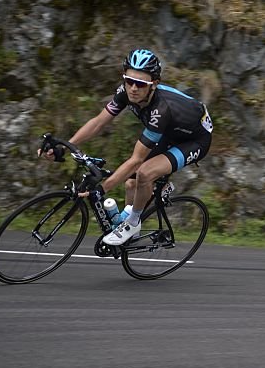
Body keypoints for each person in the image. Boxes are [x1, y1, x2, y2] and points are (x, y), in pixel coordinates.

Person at [40, 48, 213, 245]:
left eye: (140, 84)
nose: (133, 88)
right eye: (129, 81)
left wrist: (102, 189)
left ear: (154, 84)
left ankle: (132, 224)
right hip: (169, 132)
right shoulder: (125, 93)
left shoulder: (161, 110)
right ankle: (135, 218)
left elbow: (136, 160)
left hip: (194, 140)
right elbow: (98, 123)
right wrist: (66, 145)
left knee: (144, 173)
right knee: (131, 183)